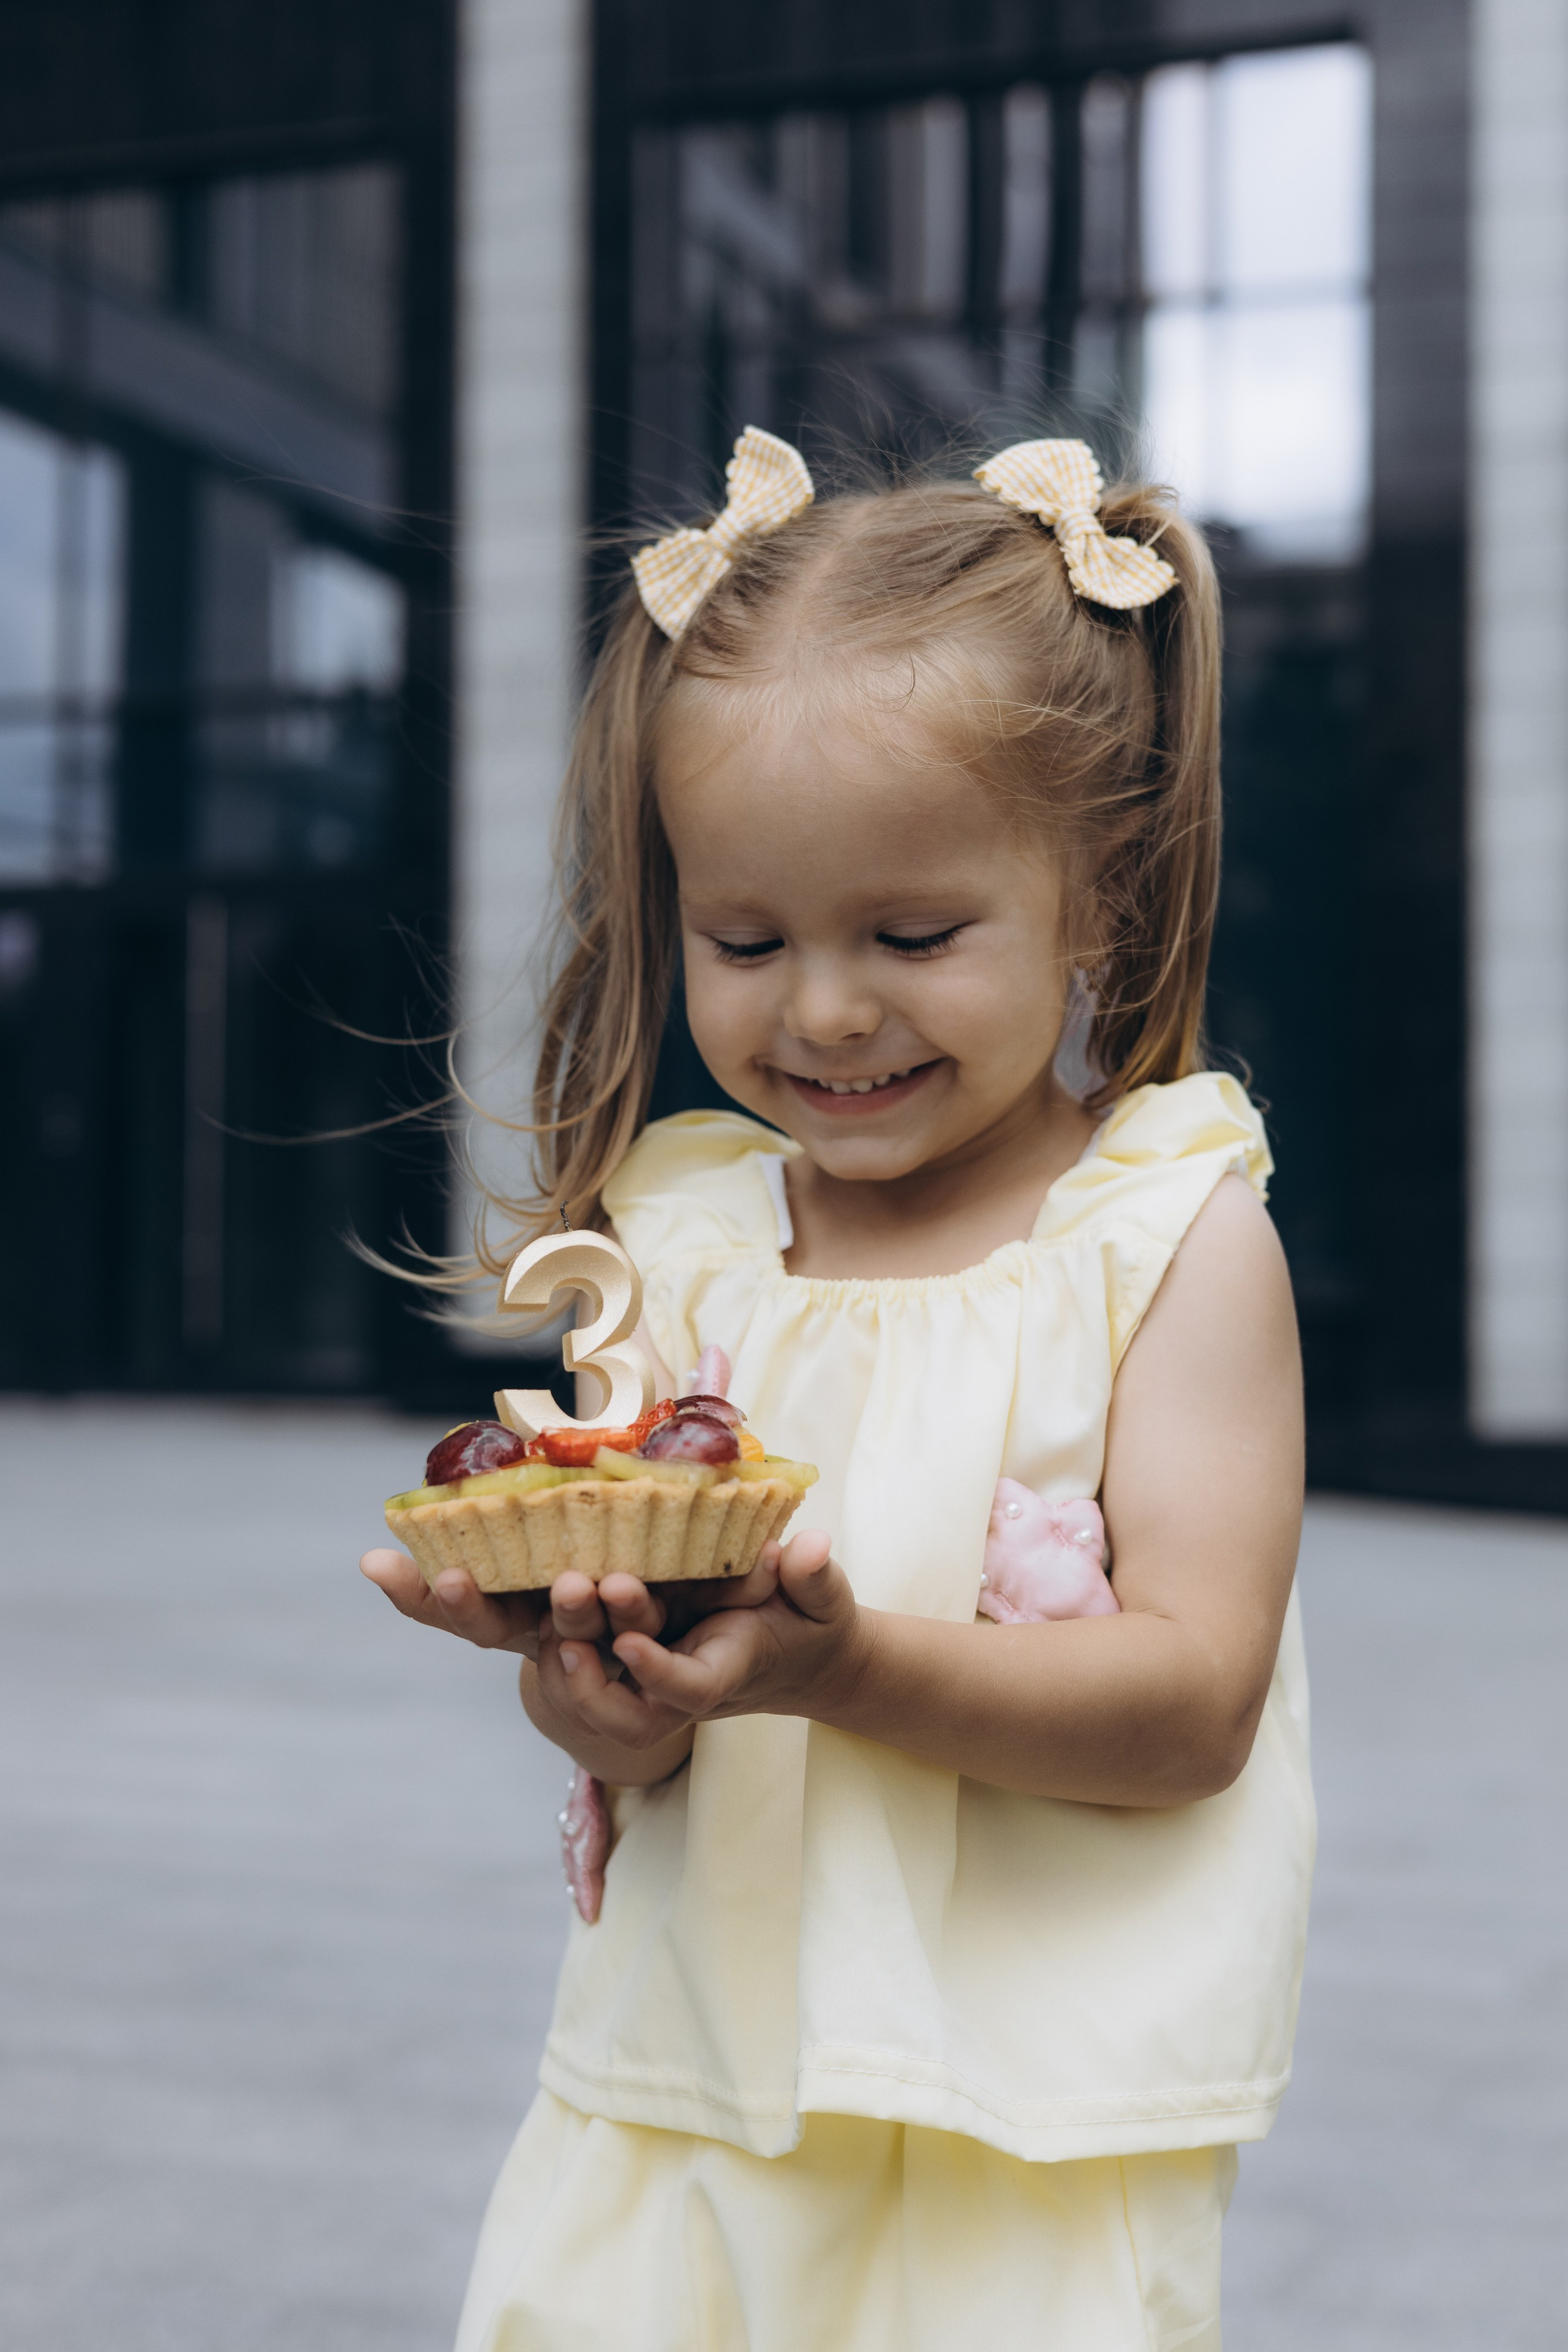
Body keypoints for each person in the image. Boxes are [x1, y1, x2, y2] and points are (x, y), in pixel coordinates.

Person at [362, 428, 1313, 2351]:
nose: (821, 1010)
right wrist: (598, 1691)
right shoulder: (690, 1249)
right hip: (682, 2094)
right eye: (747, 939)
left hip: (1017, 2128)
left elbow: (1193, 1704)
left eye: (912, 936)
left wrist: (842, 1665)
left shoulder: (1164, 1240)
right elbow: (662, 1755)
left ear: (1097, 902)